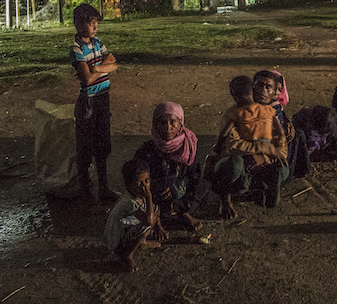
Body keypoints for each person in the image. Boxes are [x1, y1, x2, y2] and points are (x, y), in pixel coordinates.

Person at [205, 75, 288, 219]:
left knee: (282, 168)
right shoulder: (234, 114)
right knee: (235, 164)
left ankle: (255, 188)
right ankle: (226, 197)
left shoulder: (266, 112)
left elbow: (281, 145)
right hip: (242, 162)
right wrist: (267, 150)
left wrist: (264, 157)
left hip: (260, 161)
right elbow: (232, 144)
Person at [68, 2, 119, 203]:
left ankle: (103, 188)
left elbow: (114, 65)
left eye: (96, 22)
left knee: (102, 145)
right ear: (79, 24)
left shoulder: (97, 43)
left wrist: (96, 68)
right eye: (91, 23)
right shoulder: (76, 48)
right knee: (86, 148)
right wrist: (102, 66)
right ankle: (87, 194)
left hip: (102, 98)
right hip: (88, 102)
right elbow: (87, 79)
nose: (95, 27)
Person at [133, 102, 203, 233]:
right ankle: (159, 219)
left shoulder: (188, 147)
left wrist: (177, 187)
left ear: (180, 123)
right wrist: (158, 186)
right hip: (157, 196)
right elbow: (136, 177)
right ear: (155, 124)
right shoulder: (146, 151)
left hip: (181, 194)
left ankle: (184, 213)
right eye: (162, 122)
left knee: (201, 188)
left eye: (173, 122)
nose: (168, 127)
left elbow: (194, 176)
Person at [103, 158, 166, 272]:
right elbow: (149, 221)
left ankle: (142, 242)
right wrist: (149, 197)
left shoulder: (139, 195)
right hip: (116, 240)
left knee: (154, 208)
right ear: (128, 184)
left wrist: (159, 228)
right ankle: (126, 256)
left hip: (127, 227)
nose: (144, 187)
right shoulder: (130, 202)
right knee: (145, 227)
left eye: (147, 181)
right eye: (138, 183)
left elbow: (154, 211)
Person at [254, 69, 309, 178]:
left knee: (297, 135)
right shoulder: (249, 107)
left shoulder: (275, 106)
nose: (264, 90)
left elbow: (282, 120)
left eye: (268, 87)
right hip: (262, 148)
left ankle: (294, 171)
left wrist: (288, 127)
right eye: (260, 85)